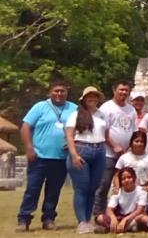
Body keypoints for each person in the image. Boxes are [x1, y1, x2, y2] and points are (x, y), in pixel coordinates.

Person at [17, 79, 77, 232]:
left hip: (61, 158)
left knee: (53, 191)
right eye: (56, 91)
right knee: (32, 189)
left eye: (62, 91)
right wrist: (29, 148)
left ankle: (49, 219)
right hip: (39, 157)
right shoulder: (40, 107)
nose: (59, 94)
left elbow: (82, 128)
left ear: (67, 92)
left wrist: (73, 142)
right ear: (50, 92)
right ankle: (24, 219)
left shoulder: (74, 108)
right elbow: (25, 127)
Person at [65, 86, 108, 234]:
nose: (92, 99)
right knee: (81, 188)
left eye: (95, 96)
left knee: (93, 188)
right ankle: (81, 221)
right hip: (82, 149)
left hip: (99, 149)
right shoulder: (75, 115)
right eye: (89, 96)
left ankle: (88, 220)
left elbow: (105, 133)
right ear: (84, 99)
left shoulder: (101, 115)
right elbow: (69, 136)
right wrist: (74, 155)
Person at [93, 80, 137, 217]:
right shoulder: (106, 108)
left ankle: (120, 213)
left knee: (125, 186)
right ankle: (99, 215)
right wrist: (114, 146)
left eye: (126, 90)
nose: (124, 92)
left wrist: (129, 149)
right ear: (114, 90)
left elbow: (133, 131)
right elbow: (102, 131)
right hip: (108, 154)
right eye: (121, 89)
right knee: (103, 185)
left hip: (125, 155)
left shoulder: (131, 110)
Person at [113, 131, 148, 213]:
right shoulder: (124, 157)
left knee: (140, 213)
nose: (139, 144)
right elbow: (116, 175)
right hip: (126, 190)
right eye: (137, 141)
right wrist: (117, 187)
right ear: (131, 142)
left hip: (142, 189)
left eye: (141, 142)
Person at [95, 167, 147, 234]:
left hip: (133, 217)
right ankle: (123, 228)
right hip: (120, 217)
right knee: (100, 218)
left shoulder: (141, 191)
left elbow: (139, 210)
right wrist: (113, 218)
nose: (126, 180)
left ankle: (110, 229)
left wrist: (125, 219)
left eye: (129, 177)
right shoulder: (118, 192)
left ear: (134, 178)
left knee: (141, 217)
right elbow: (109, 209)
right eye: (123, 179)